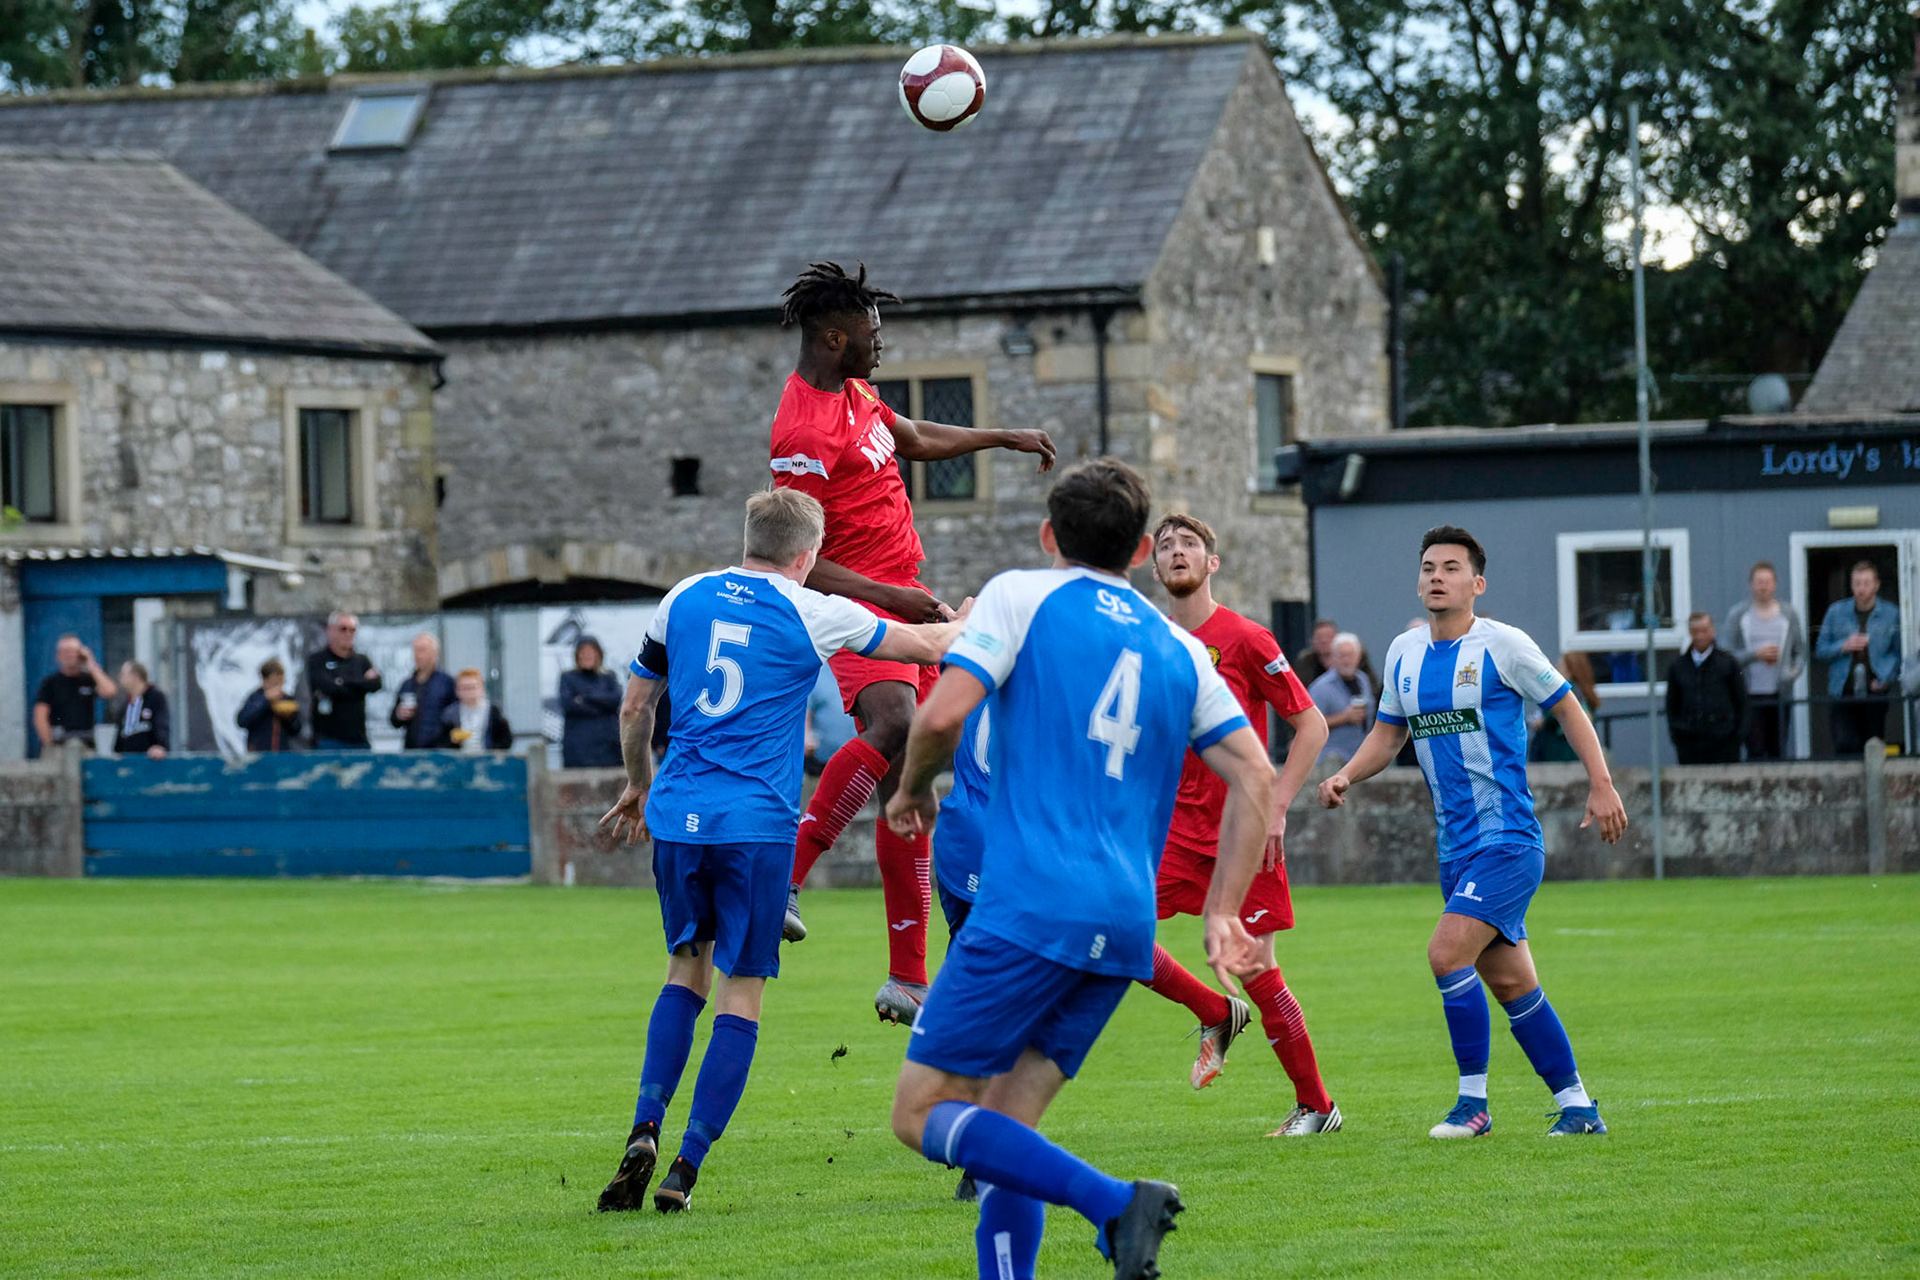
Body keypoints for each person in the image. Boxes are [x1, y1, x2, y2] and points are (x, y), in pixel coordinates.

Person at [884, 459, 1276, 1280]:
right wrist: (1222, 911)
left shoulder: (1021, 594)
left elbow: (942, 713)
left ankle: (1112, 1202)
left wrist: (911, 791)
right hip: (1125, 924)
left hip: (1030, 906)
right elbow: (1257, 775)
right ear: (1139, 551)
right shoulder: (1179, 647)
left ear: (1047, 536)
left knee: (921, 1115)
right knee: (1008, 1131)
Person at [593, 488, 967, 1215]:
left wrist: (640, 784)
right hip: (758, 827)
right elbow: (928, 648)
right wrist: (974, 618)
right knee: (742, 991)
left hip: (678, 816)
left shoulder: (685, 596)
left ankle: (643, 1127)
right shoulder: (814, 609)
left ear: (748, 538)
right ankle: (684, 1169)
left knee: (684, 972)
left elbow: (636, 707)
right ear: (809, 555)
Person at [767, 260, 1056, 1024]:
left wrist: (1002, 436)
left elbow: (917, 435)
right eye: (872, 332)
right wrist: (888, 595)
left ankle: (908, 978)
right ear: (836, 338)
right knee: (894, 725)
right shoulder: (801, 428)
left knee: (912, 789)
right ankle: (785, 878)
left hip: (906, 595)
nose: (881, 343)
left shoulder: (857, 395)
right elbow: (796, 558)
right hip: (854, 603)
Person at [1318, 525, 1628, 1139]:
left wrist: (1601, 781)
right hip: (1455, 850)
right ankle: (1579, 1108)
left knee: (1444, 953)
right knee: (1513, 983)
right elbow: (1388, 734)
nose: (1437, 575)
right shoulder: (1404, 651)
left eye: (1452, 567)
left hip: (1508, 841)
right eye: (1429, 566)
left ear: (1476, 584)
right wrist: (1347, 774)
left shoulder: (1505, 646)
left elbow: (1567, 706)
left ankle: (1473, 1105)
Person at [1144, 513, 1339, 1136]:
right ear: (1154, 567)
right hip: (1172, 834)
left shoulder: (1248, 638)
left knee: (1258, 970)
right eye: (1167, 547)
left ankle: (1317, 1108)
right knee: (1109, 931)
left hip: (1241, 834)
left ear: (1212, 564)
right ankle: (1212, 1011)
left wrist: (1276, 805)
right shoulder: (1150, 643)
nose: (1177, 553)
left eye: (1190, 545)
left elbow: (1312, 726)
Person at [1814, 561, 1902, 757]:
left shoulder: (1891, 614)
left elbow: (1899, 654)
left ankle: (1873, 788)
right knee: (1845, 744)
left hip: (1875, 691)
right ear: (1851, 585)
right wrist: (1843, 646)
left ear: (1876, 585)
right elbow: (1820, 649)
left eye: (1866, 583)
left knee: (1873, 745)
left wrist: (1887, 679)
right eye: (1857, 583)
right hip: (1843, 689)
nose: (1861, 589)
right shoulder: (1836, 611)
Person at [1723, 562, 1805, 761]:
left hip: (1780, 693)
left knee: (1778, 748)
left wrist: (1792, 674)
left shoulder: (1788, 614)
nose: (1763, 586)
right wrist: (1755, 655)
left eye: (1767, 581)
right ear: (1751, 585)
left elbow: (1800, 651)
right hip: (1749, 694)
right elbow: (1726, 654)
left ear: (1775, 584)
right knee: (1755, 749)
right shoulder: (1738, 615)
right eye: (1759, 582)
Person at [1665, 613, 1747, 765]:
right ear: (1690, 633)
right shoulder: (1678, 667)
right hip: (1690, 744)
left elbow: (1741, 701)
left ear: (1712, 631)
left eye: (1704, 630)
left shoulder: (1728, 663)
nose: (1700, 636)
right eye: (1696, 631)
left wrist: (1736, 737)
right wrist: (1678, 735)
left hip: (1724, 742)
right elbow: (1672, 705)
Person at [305, 612, 382, 749]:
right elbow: (329, 687)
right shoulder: (317, 660)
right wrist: (361, 684)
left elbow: (376, 684)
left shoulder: (362, 661)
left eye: (352, 630)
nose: (348, 633)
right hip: (328, 740)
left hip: (358, 739)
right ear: (330, 630)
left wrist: (342, 681)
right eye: (343, 629)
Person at [32, 634, 117, 754]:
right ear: (58, 656)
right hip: (59, 743)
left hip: (86, 743)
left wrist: (91, 664)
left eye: (72, 651)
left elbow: (109, 691)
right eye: (65, 652)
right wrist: (49, 745)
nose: (69, 656)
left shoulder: (88, 679)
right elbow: (40, 716)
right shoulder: (50, 683)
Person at [1308, 633, 1374, 762]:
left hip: (1361, 754)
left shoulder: (1363, 680)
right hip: (1332, 757)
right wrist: (1344, 718)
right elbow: (1310, 725)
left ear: (1359, 657)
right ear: (1332, 657)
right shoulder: (1320, 687)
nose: (1346, 660)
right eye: (1342, 655)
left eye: (1350, 655)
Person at [560, 637, 624, 768]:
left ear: (599, 654)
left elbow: (614, 700)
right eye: (583, 652)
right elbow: (569, 705)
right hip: (578, 750)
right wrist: (602, 706)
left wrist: (585, 697)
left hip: (608, 748)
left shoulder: (609, 678)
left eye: (591, 651)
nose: (587, 656)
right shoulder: (568, 678)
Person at [390, 633, 457, 751]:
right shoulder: (407, 684)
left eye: (422, 650)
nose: (418, 655)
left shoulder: (447, 682)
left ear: (435, 653)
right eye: (415, 650)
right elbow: (394, 720)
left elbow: (457, 716)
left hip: (440, 751)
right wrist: (399, 715)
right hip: (412, 750)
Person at [1530, 652, 1599, 763]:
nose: (1556, 669)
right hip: (1581, 754)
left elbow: (1552, 715)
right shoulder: (1586, 692)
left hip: (1559, 753)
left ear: (1570, 670)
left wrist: (1542, 722)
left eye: (1561, 665)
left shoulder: (1564, 692)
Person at [236, 659, 304, 752]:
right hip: (258, 753)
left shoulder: (287, 699)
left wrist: (289, 717)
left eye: (280, 682)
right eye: (274, 682)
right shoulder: (256, 697)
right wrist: (265, 701)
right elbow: (242, 721)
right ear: (264, 681)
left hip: (281, 753)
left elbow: (296, 730)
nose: (278, 686)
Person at [439, 669, 513, 752]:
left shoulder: (493, 711)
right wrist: (453, 740)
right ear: (457, 691)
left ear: (481, 688)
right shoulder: (450, 714)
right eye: (464, 688)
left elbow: (506, 739)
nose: (469, 692)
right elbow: (442, 742)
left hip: (487, 759)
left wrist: (496, 750)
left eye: (472, 687)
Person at [803, 665, 856, 777]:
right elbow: (806, 709)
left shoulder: (860, 670)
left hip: (857, 762)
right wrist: (806, 736)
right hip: (819, 762)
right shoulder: (818, 672)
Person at [111, 662, 170, 758]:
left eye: (123, 674)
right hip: (128, 762)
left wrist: (160, 746)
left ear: (135, 676)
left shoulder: (155, 697)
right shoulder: (124, 706)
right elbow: (119, 735)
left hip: (151, 761)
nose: (120, 678)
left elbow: (161, 724)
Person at [1292, 619, 1337, 687]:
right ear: (1312, 641)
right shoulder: (1305, 663)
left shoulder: (1349, 660)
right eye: (1319, 637)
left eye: (1328, 637)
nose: (1323, 641)